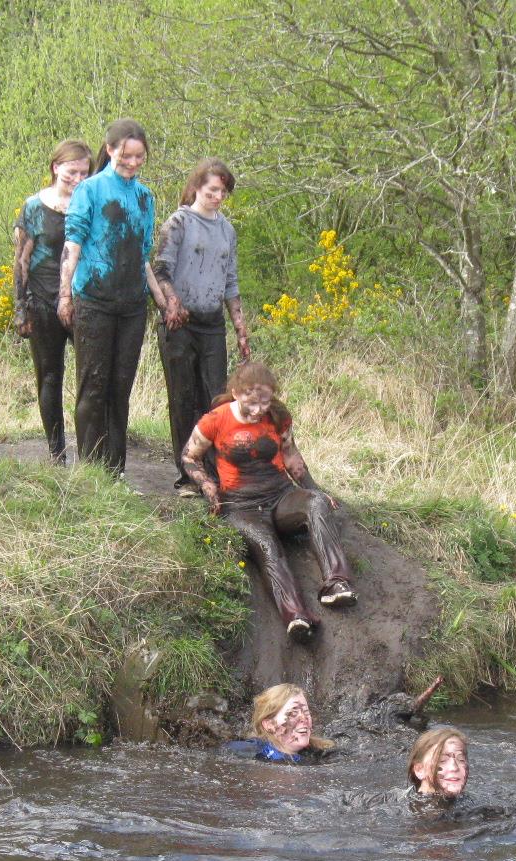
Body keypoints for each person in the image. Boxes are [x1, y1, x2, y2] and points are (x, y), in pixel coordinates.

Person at [182, 361, 357, 646]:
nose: (258, 410)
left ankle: (337, 584)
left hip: (280, 496)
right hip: (240, 506)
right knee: (267, 545)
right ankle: (296, 616)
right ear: (236, 393)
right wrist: (207, 485)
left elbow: (291, 457)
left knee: (315, 503)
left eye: (264, 402)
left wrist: (316, 491)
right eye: (251, 403)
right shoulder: (215, 419)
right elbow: (190, 456)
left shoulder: (277, 416)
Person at [57, 118, 176, 474]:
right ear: (110, 150)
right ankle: (89, 471)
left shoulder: (145, 197)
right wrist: (64, 295)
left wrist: (162, 302)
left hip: (132, 306)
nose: (133, 163)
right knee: (93, 387)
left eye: (140, 157)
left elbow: (142, 257)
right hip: (93, 301)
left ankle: (115, 470)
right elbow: (72, 245)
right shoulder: (89, 189)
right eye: (127, 155)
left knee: (120, 389)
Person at [152, 158, 250, 496]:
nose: (218, 197)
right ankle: (188, 475)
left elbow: (231, 281)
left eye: (223, 192)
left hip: (212, 323)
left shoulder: (227, 230)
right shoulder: (178, 223)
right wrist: (172, 304)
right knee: (182, 398)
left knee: (217, 399)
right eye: (212, 190)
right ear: (197, 187)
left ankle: (216, 471)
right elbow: (161, 271)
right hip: (179, 323)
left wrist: (240, 327)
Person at [14, 139, 92, 462]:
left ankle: (93, 451)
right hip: (43, 302)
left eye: (84, 173)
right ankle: (56, 452)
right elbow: (21, 260)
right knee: (49, 376)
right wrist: (20, 308)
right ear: (56, 168)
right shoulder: (34, 207)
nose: (77, 179)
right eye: (72, 172)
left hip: (84, 301)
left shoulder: (89, 204)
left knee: (91, 375)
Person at [222, 684, 334, 763]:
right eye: (293, 713)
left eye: (306, 711)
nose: (304, 718)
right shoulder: (249, 751)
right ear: (269, 725)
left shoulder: (321, 754)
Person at [405, 726, 470, 809]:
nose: (454, 767)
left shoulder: (469, 804)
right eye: (442, 760)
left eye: (461, 760)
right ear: (420, 770)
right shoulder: (403, 806)